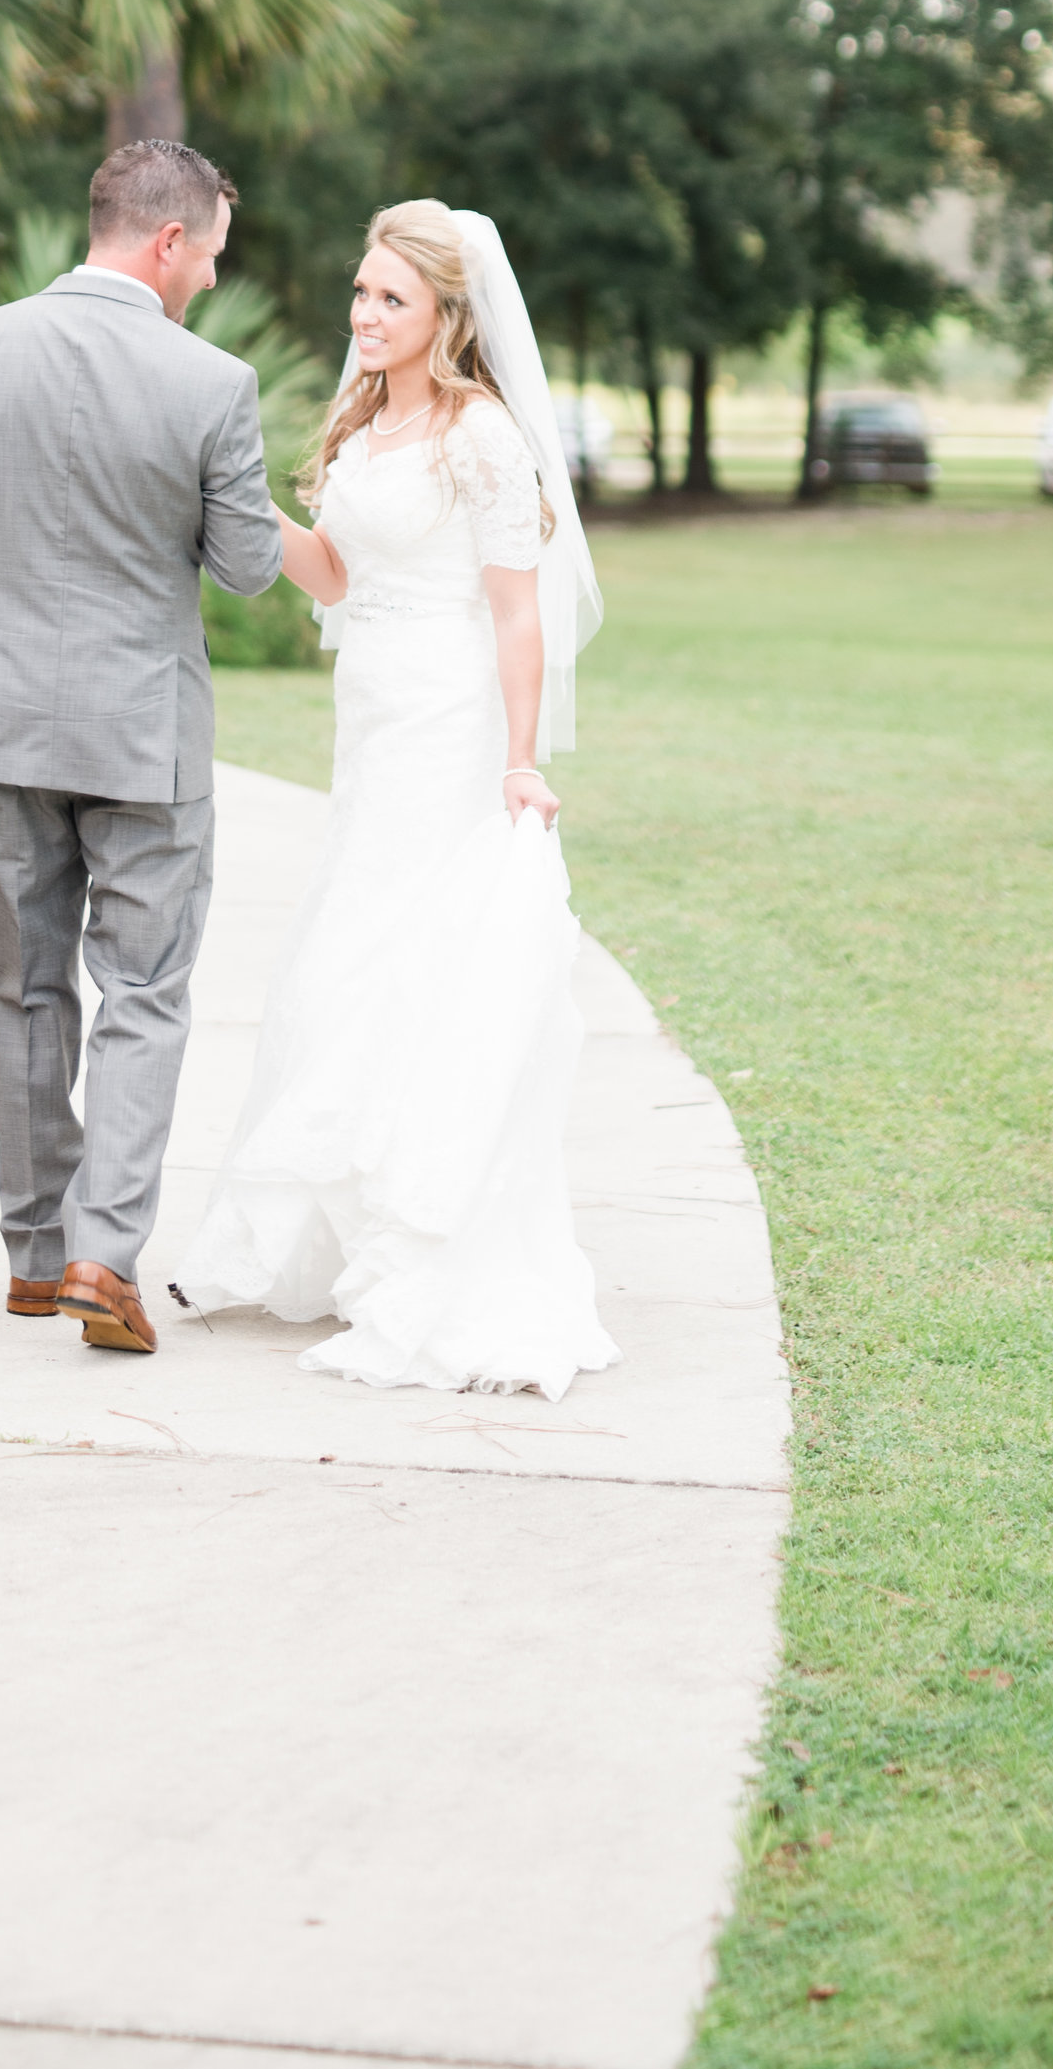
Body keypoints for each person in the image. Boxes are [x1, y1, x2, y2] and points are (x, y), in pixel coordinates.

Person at [172, 202, 618, 1401]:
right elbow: (331, 571)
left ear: (447, 317)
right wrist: (236, 494)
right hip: (369, 721)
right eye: (361, 293)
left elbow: (517, 611)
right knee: (347, 948)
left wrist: (519, 758)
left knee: (407, 953)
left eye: (391, 301)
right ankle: (347, 1226)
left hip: (447, 719)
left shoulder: (479, 436)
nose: (365, 317)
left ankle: (422, 1239)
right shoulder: (365, 423)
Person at [0, 138, 284, 1358]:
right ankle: (106, 1252)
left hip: (3, 726)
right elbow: (250, 568)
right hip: (146, 738)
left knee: (21, 987)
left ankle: (37, 1256)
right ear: (165, 241)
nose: (206, 277)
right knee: (143, 992)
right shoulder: (214, 382)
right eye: (207, 254)